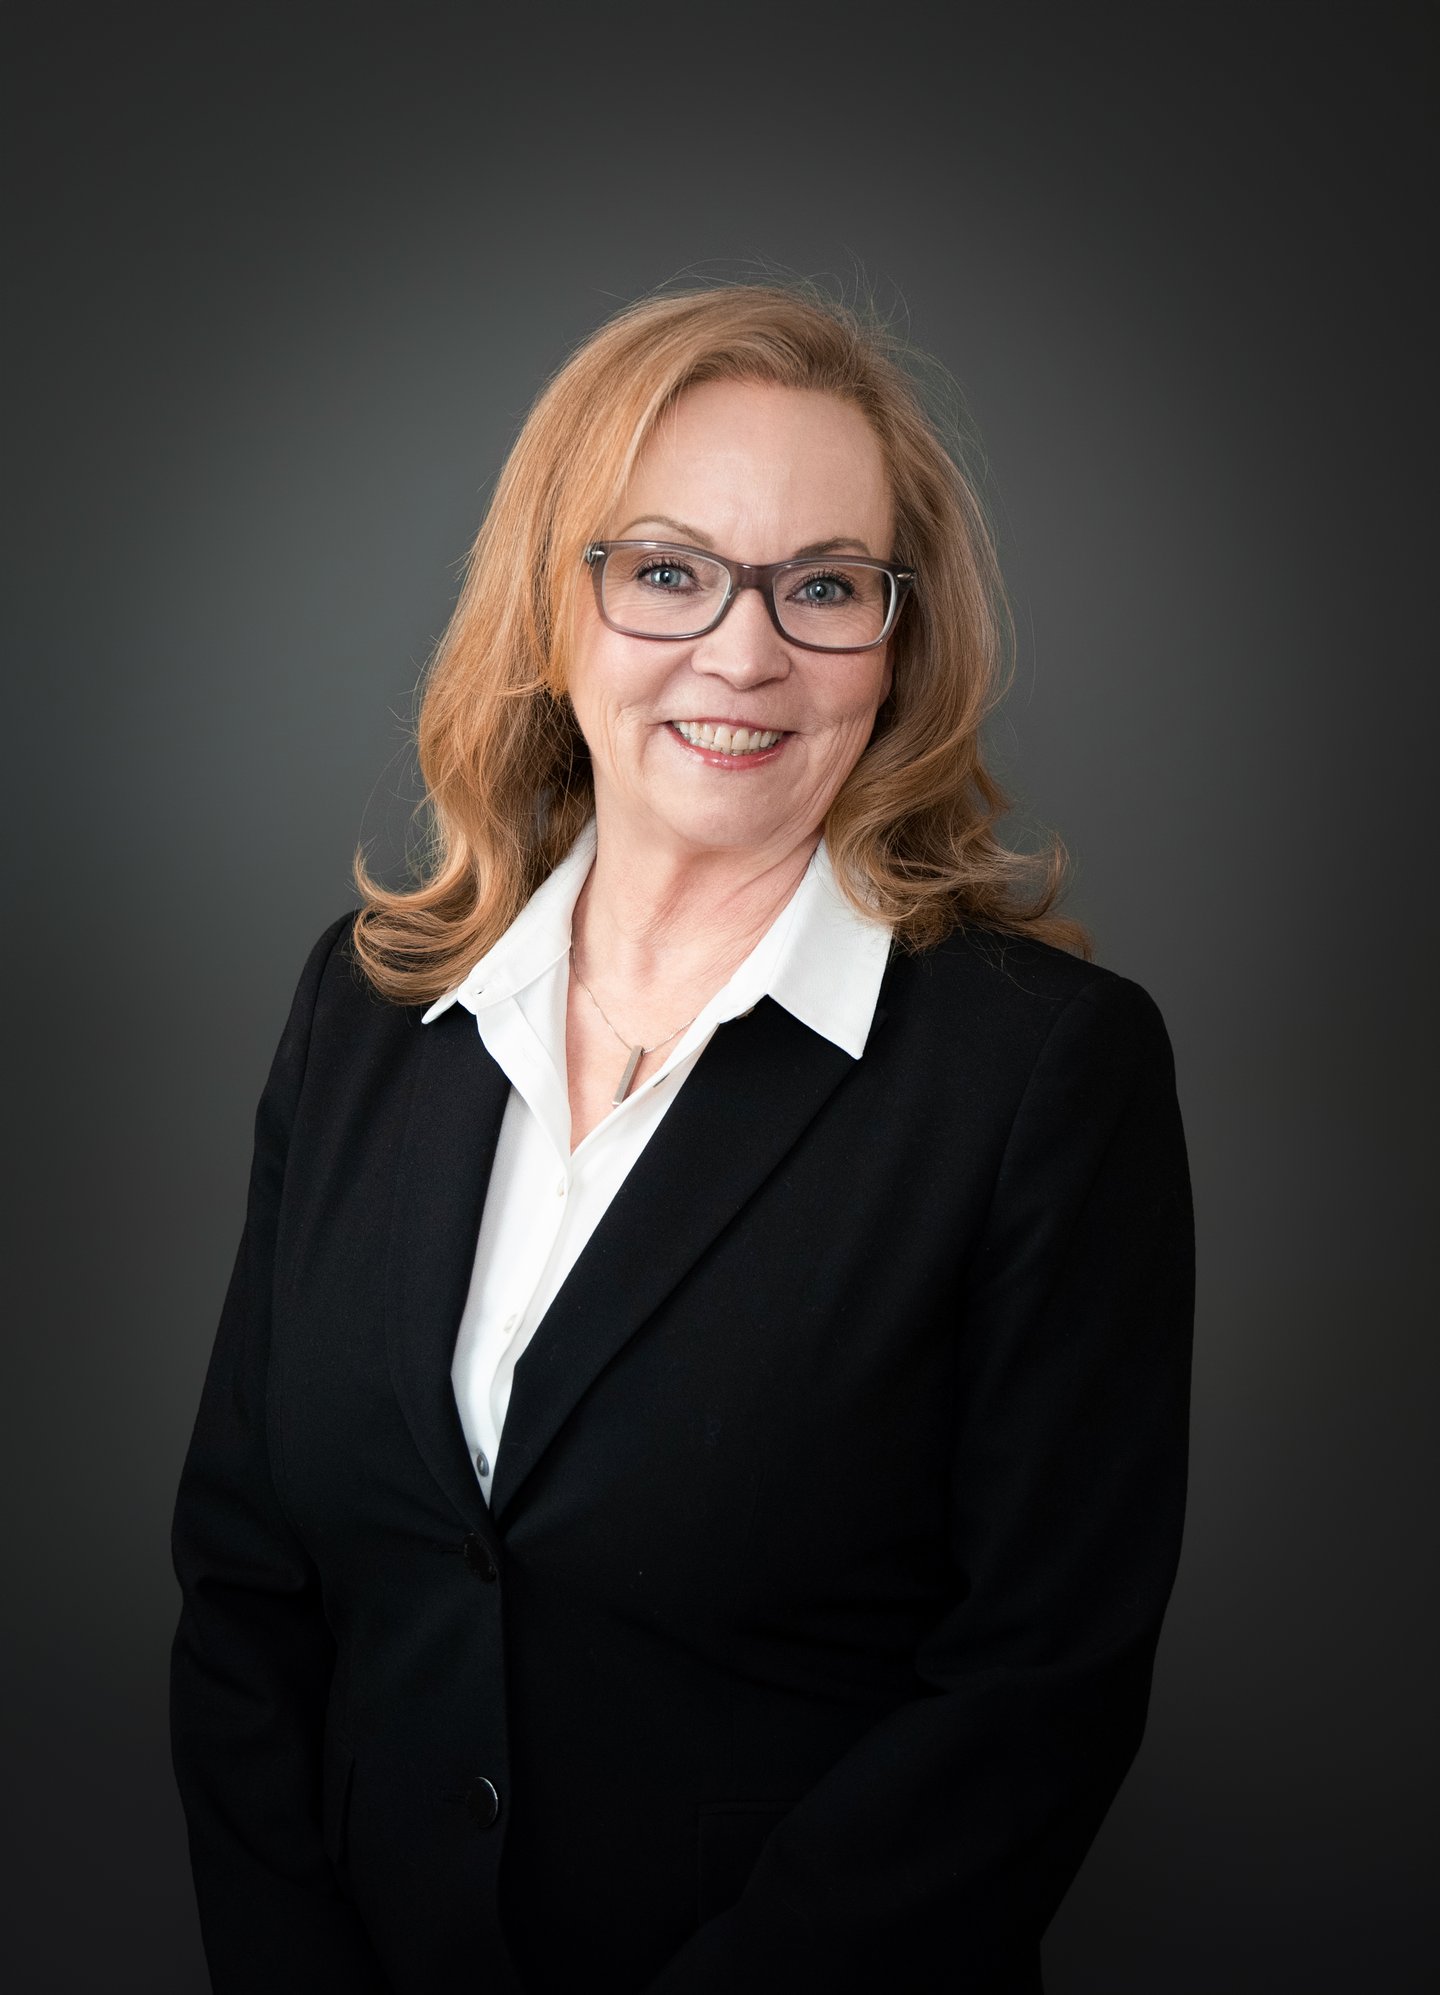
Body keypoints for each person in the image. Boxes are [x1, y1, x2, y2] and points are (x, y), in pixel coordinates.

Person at [170, 283, 1194, 1995]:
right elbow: (244, 1582)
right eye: (667, 571)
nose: (744, 652)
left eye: (825, 587)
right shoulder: (368, 1009)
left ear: (900, 642)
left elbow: (1033, 1695)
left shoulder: (1042, 1075)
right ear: (550, 606)